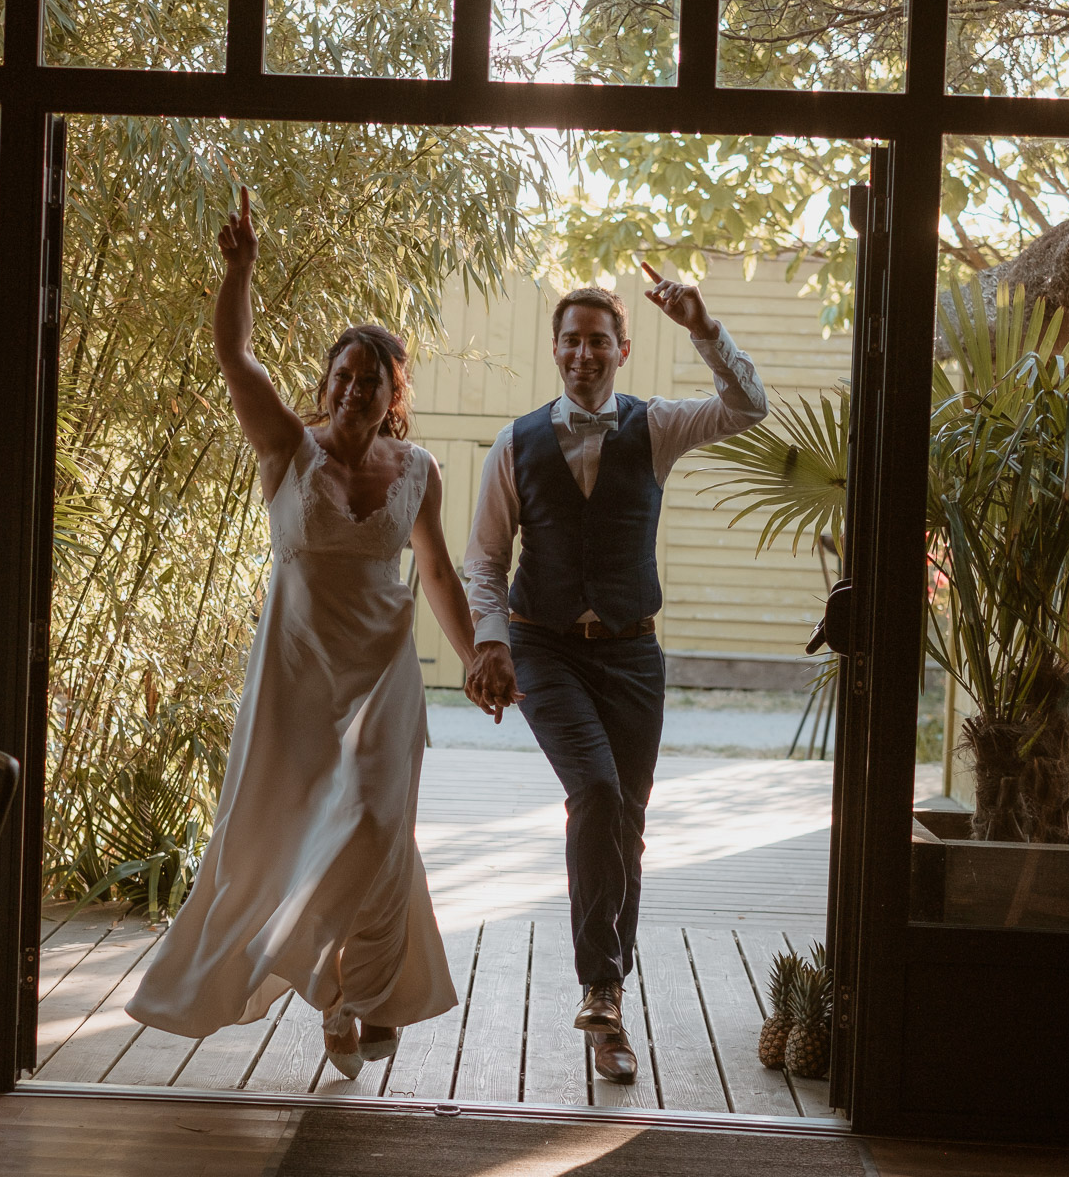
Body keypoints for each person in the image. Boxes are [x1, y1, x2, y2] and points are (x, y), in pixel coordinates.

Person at [126, 187, 497, 1079]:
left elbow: (438, 573)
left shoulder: (419, 471)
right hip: (296, 677)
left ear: (392, 395)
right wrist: (241, 268)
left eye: (371, 379)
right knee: (286, 832)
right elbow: (233, 353)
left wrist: (483, 648)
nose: (352, 389)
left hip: (383, 678)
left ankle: (356, 989)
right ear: (324, 385)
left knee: (374, 826)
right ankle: (344, 999)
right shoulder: (286, 451)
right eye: (340, 376)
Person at [462, 270, 767, 1084]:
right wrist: (489, 643)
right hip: (545, 648)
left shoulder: (657, 427)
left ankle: (611, 1004)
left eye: (599, 340)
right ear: (556, 351)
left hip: (633, 654)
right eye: (571, 340)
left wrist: (704, 327)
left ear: (622, 350)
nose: (584, 353)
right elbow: (485, 563)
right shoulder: (516, 441)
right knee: (594, 794)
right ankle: (601, 986)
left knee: (627, 824)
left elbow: (749, 407)